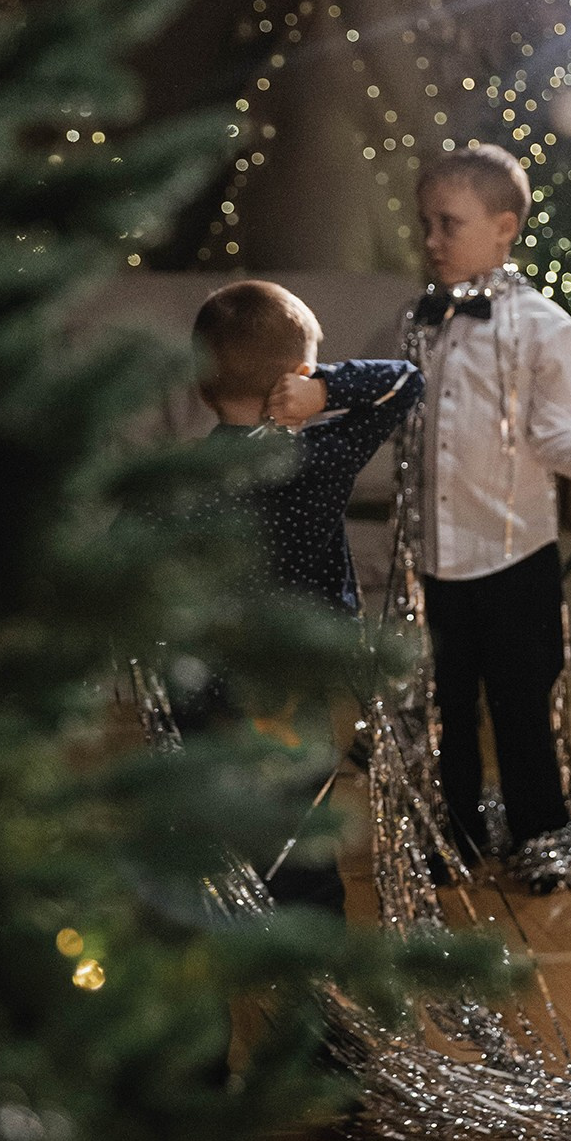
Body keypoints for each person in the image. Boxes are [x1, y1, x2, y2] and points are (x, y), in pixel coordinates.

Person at [406, 143, 571, 890]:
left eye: (449, 223)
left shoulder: (545, 327)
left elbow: (556, 439)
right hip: (437, 559)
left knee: (524, 703)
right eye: (425, 223)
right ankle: (454, 832)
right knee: (444, 706)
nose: (432, 240)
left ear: (504, 228)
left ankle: (541, 833)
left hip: (512, 556)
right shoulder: (423, 321)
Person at [174, 278, 423, 913]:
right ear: (296, 376)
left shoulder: (182, 480)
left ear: (202, 385)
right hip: (296, 681)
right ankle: (310, 955)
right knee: (301, 834)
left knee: (214, 822)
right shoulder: (319, 457)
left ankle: (217, 936)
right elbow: (407, 382)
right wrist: (328, 389)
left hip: (207, 679)